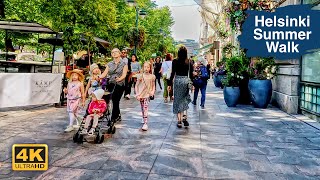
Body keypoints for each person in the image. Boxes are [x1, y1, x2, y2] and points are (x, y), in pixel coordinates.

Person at [100, 48, 128, 122]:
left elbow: (124, 74)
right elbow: (104, 73)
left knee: (116, 100)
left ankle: (113, 117)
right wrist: (98, 77)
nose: (114, 53)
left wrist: (120, 78)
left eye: (115, 52)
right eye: (112, 52)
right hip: (111, 83)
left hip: (120, 84)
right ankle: (117, 115)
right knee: (112, 100)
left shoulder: (124, 64)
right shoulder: (109, 64)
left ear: (119, 53)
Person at [168, 46, 193, 128]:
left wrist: (169, 84)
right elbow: (191, 75)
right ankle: (184, 116)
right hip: (185, 81)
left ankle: (179, 120)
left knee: (177, 100)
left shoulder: (175, 61)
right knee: (184, 99)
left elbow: (172, 74)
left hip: (177, 81)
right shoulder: (189, 61)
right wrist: (192, 84)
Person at [135, 62, 156, 131]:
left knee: (145, 107)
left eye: (148, 67)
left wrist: (152, 92)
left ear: (150, 68)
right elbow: (136, 85)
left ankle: (145, 123)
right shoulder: (140, 76)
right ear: (143, 68)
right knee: (142, 107)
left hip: (147, 94)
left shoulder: (152, 76)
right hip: (141, 95)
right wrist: (137, 94)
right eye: (145, 67)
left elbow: (153, 86)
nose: (146, 68)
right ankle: (144, 117)